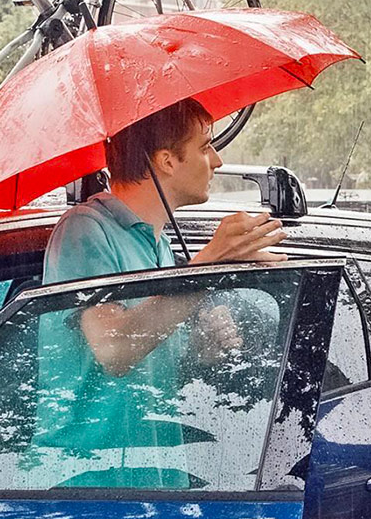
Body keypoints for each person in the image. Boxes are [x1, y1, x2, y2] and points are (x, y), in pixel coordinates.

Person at [34, 98, 286, 485]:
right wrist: (208, 266)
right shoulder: (85, 231)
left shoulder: (160, 244)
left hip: (153, 472)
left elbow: (149, 370)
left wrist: (198, 352)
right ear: (167, 160)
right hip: (92, 480)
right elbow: (115, 350)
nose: (216, 161)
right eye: (205, 146)